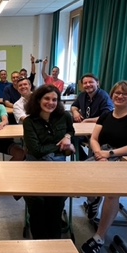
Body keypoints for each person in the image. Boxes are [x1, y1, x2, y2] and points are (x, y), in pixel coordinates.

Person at [80, 81, 127, 253]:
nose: (120, 96)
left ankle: (99, 237)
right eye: (117, 93)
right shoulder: (106, 115)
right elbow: (94, 138)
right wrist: (99, 154)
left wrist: (109, 154)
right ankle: (94, 200)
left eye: (125, 94)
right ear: (112, 95)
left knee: (112, 192)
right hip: (104, 155)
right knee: (81, 176)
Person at [22, 85, 75, 239]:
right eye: (47, 98)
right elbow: (36, 150)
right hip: (35, 166)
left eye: (54, 99)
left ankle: (54, 242)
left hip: (57, 166)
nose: (51, 103)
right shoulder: (29, 121)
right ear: (38, 99)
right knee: (37, 202)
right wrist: (61, 145)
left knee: (56, 201)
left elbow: (71, 130)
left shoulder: (65, 116)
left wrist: (68, 137)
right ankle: (40, 242)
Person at [71, 73, 114, 160]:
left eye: (91, 82)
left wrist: (87, 120)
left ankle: (90, 159)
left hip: (100, 130)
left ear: (97, 83)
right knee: (70, 136)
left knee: (91, 141)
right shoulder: (83, 95)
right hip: (85, 129)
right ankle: (84, 159)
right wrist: (75, 112)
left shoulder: (103, 97)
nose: (88, 85)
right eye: (85, 83)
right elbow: (74, 106)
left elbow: (106, 116)